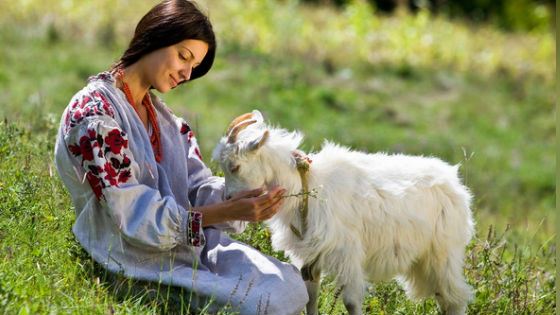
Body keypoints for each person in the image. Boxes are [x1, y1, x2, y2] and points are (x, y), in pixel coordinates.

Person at [53, 1, 309, 314]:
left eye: (193, 67)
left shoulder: (167, 122)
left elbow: (198, 188)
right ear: (156, 36)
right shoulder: (95, 116)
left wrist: (249, 177)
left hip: (187, 247)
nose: (186, 73)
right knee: (264, 302)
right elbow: (131, 215)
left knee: (291, 286)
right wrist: (219, 213)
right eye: (183, 57)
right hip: (130, 260)